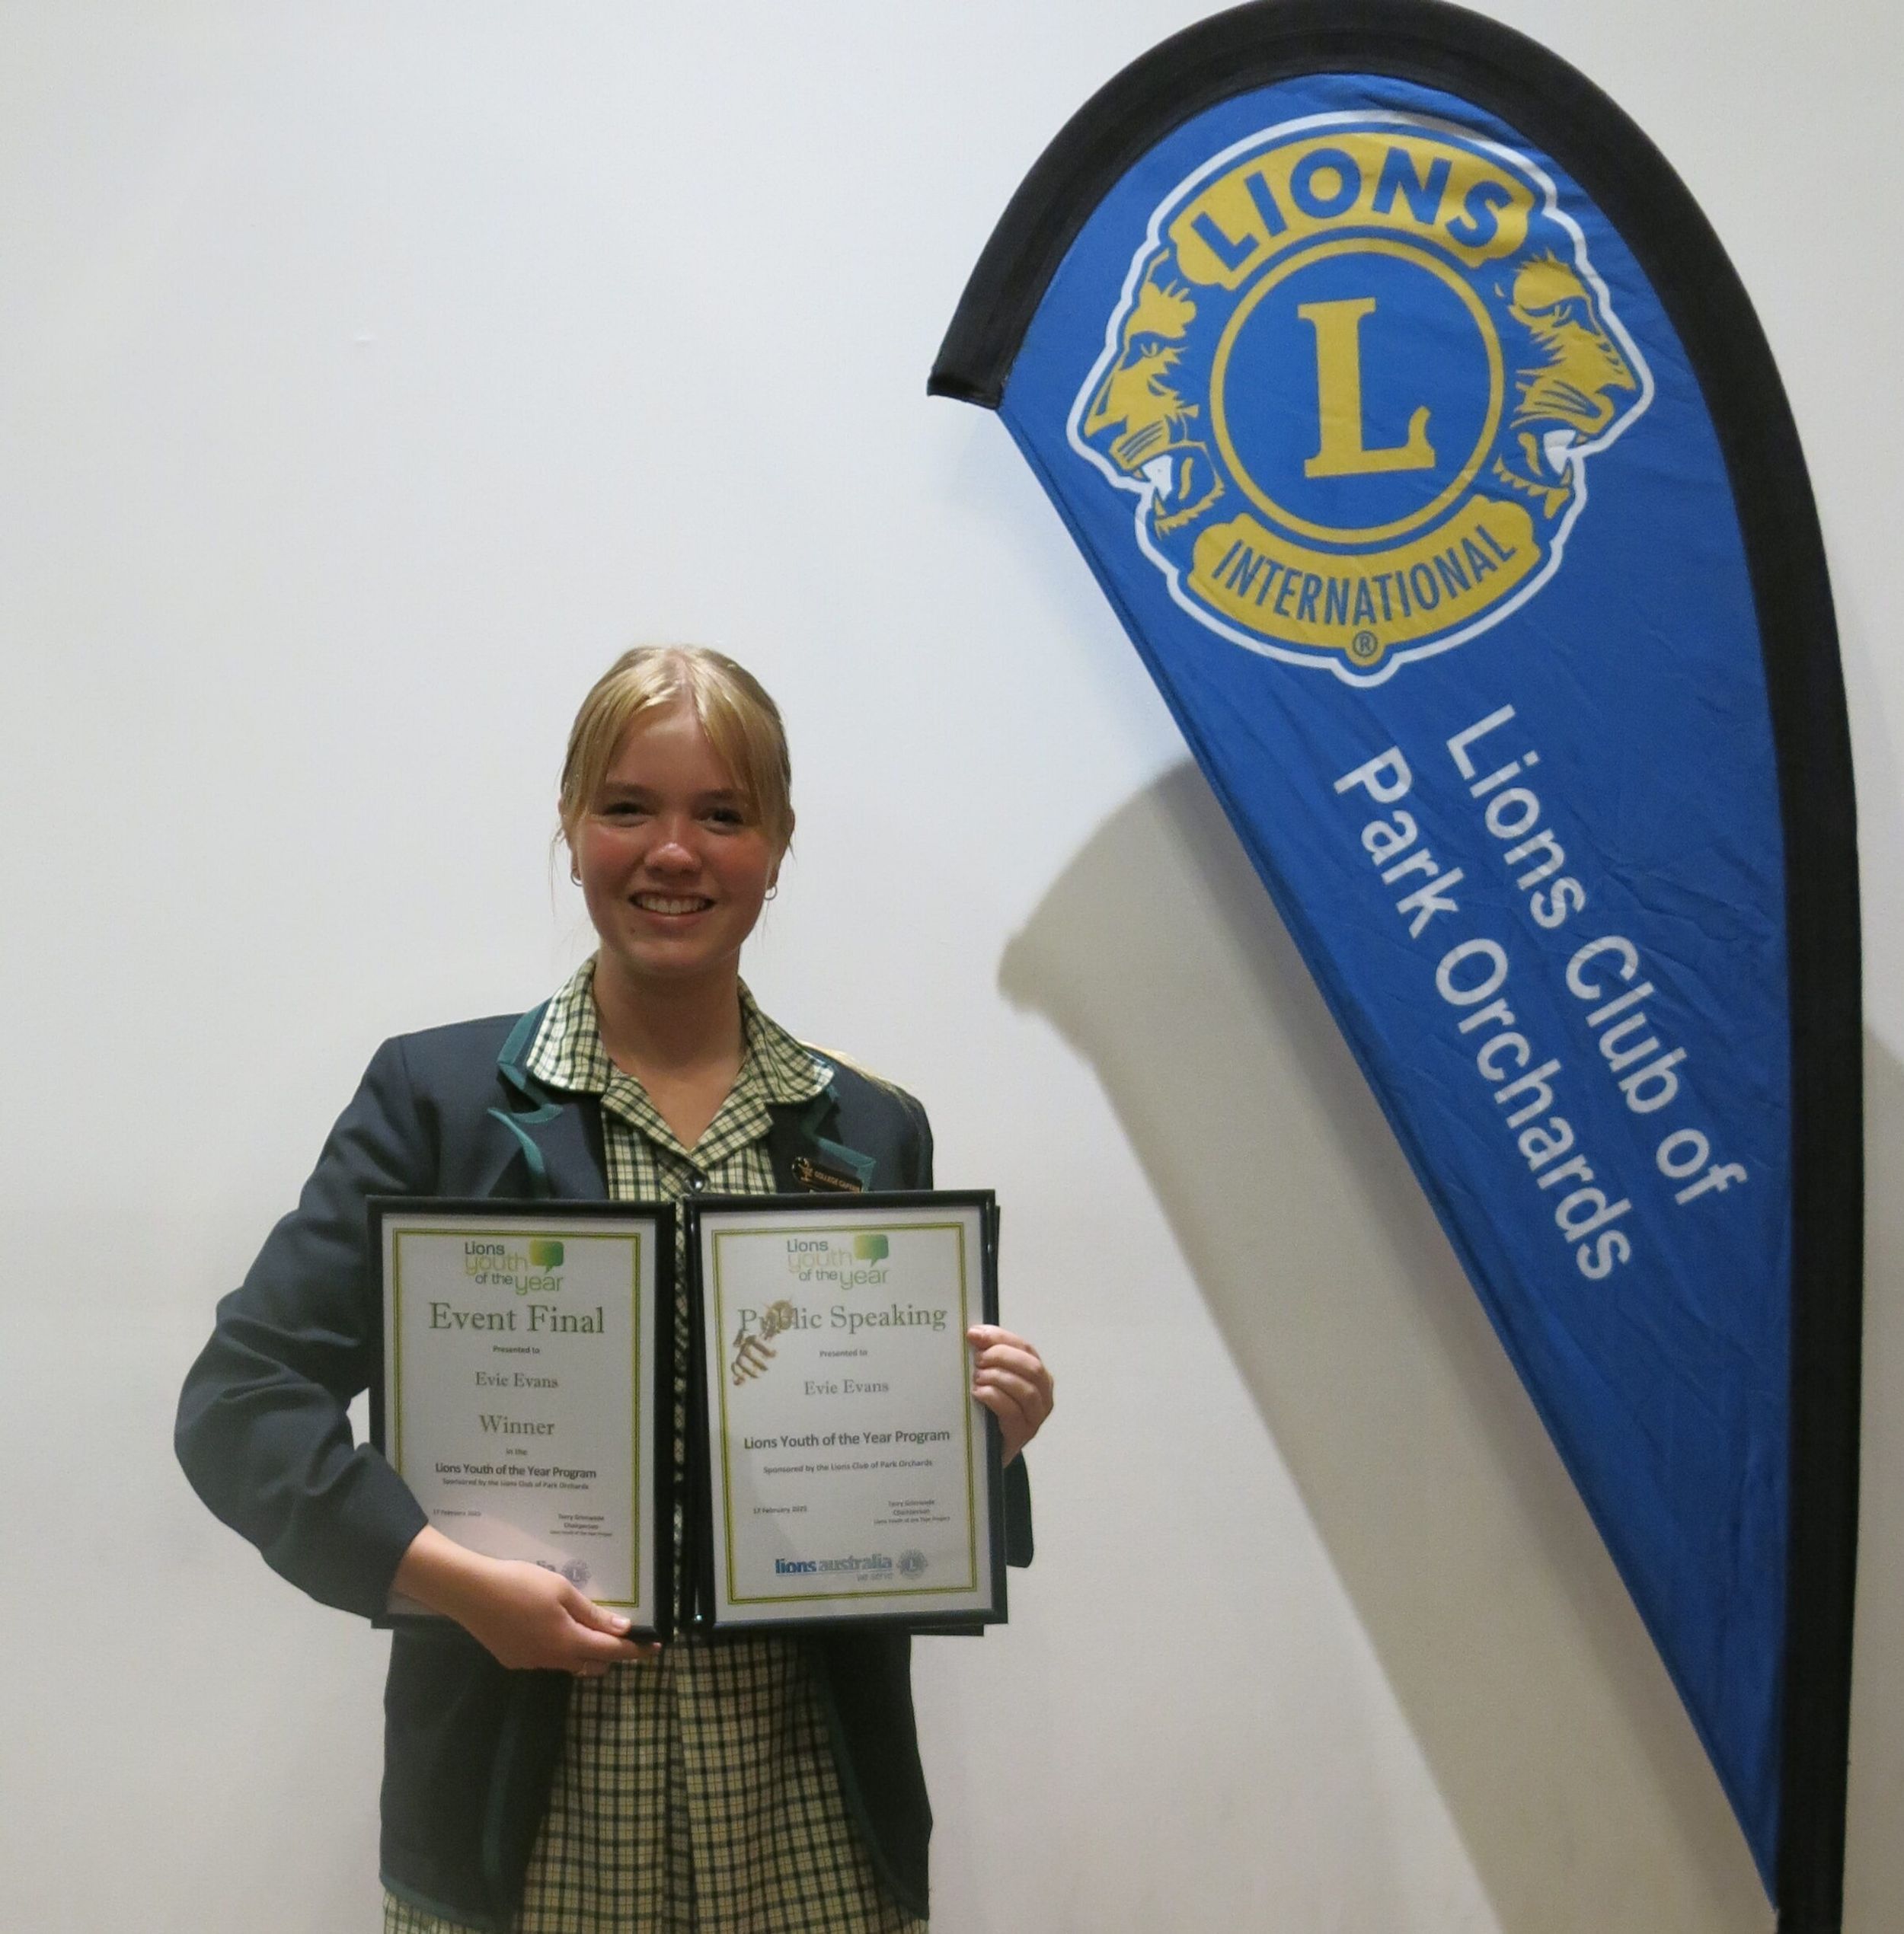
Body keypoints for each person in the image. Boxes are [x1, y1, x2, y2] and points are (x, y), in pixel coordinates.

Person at [175, 646, 1053, 1933]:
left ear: (778, 844)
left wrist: (983, 1436)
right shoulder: (437, 1105)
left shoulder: (871, 1127)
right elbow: (241, 1403)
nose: (673, 852)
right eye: (629, 806)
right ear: (572, 824)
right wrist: (445, 1579)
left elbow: (893, 1481)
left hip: (808, 1828)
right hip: (526, 1836)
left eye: (723, 814)